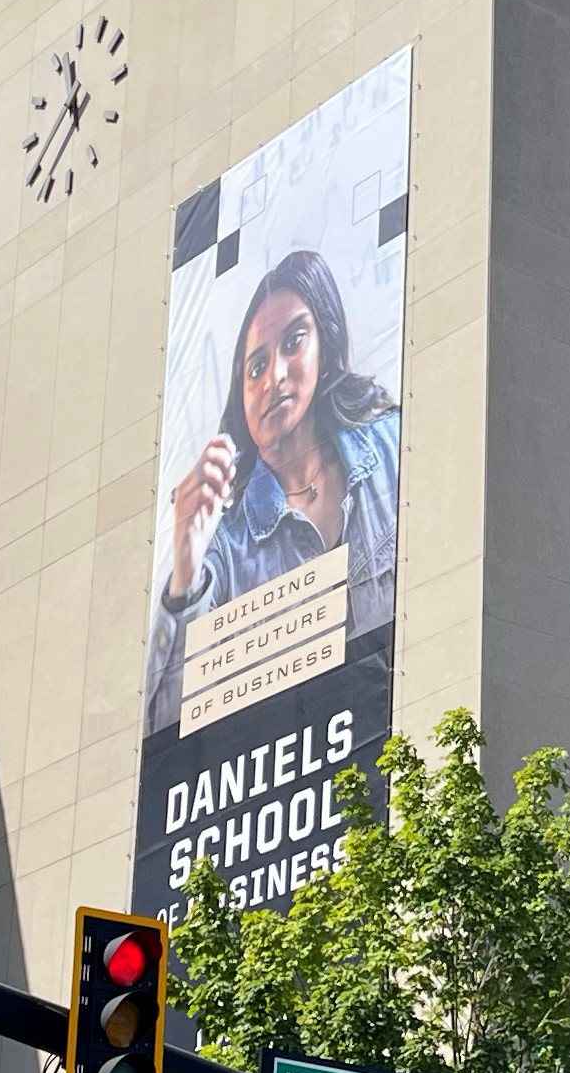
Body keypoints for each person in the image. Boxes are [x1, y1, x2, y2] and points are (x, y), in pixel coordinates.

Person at [146, 249, 401, 732]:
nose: (275, 377)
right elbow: (163, 733)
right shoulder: (225, 548)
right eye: (256, 366)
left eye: (294, 341)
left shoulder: (393, 449)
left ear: (324, 343)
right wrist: (184, 576)